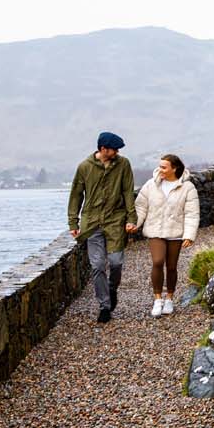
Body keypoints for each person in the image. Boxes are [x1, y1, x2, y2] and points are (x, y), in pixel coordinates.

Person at [67, 131, 138, 323]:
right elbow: (76, 195)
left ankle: (112, 289)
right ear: (103, 149)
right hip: (91, 223)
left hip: (116, 220)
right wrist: (73, 222)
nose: (117, 152)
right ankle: (104, 306)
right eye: (114, 149)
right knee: (97, 265)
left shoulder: (123, 164)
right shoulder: (84, 167)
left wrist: (132, 218)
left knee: (116, 262)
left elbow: (127, 191)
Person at [133, 153, 200, 318]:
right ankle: (157, 300)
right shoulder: (151, 185)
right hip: (155, 231)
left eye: (164, 167)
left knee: (171, 267)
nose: (160, 169)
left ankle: (169, 298)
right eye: (160, 166)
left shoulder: (188, 188)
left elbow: (192, 213)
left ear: (174, 169)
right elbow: (141, 207)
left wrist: (189, 235)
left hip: (175, 233)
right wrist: (136, 224)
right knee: (157, 262)